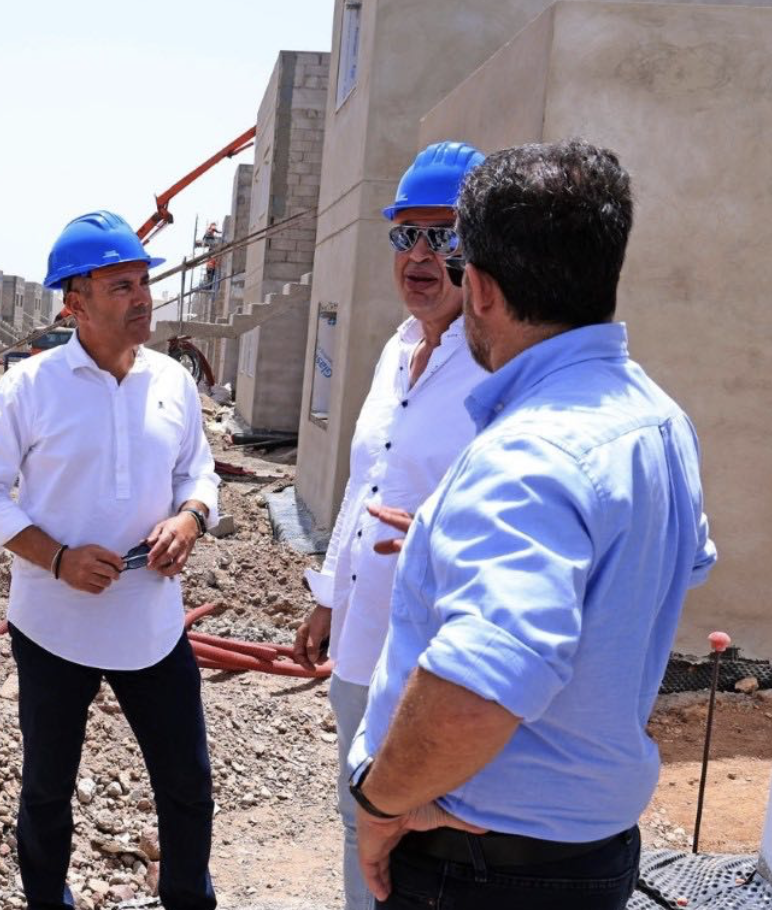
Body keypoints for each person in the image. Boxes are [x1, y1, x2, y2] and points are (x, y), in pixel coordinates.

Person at [346, 138, 717, 909]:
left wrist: (381, 805)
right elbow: (669, 571)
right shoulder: (656, 419)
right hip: (585, 849)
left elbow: (476, 692)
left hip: (482, 869)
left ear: (479, 288)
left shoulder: (527, 453)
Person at [0, 210, 221, 910]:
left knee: (188, 784)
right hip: (54, 626)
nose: (143, 299)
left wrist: (190, 519)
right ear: (74, 302)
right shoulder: (30, 386)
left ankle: (188, 899)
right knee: (48, 789)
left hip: (153, 623)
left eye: (144, 283)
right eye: (121, 287)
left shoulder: (172, 381)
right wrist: (57, 559)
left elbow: (198, 471)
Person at [289, 141, 488, 910]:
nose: (420, 255)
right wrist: (330, 598)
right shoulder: (395, 350)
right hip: (364, 639)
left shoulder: (499, 366)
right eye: (406, 234)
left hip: (438, 659)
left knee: (433, 836)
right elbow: (365, 484)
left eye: (444, 235)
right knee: (358, 817)